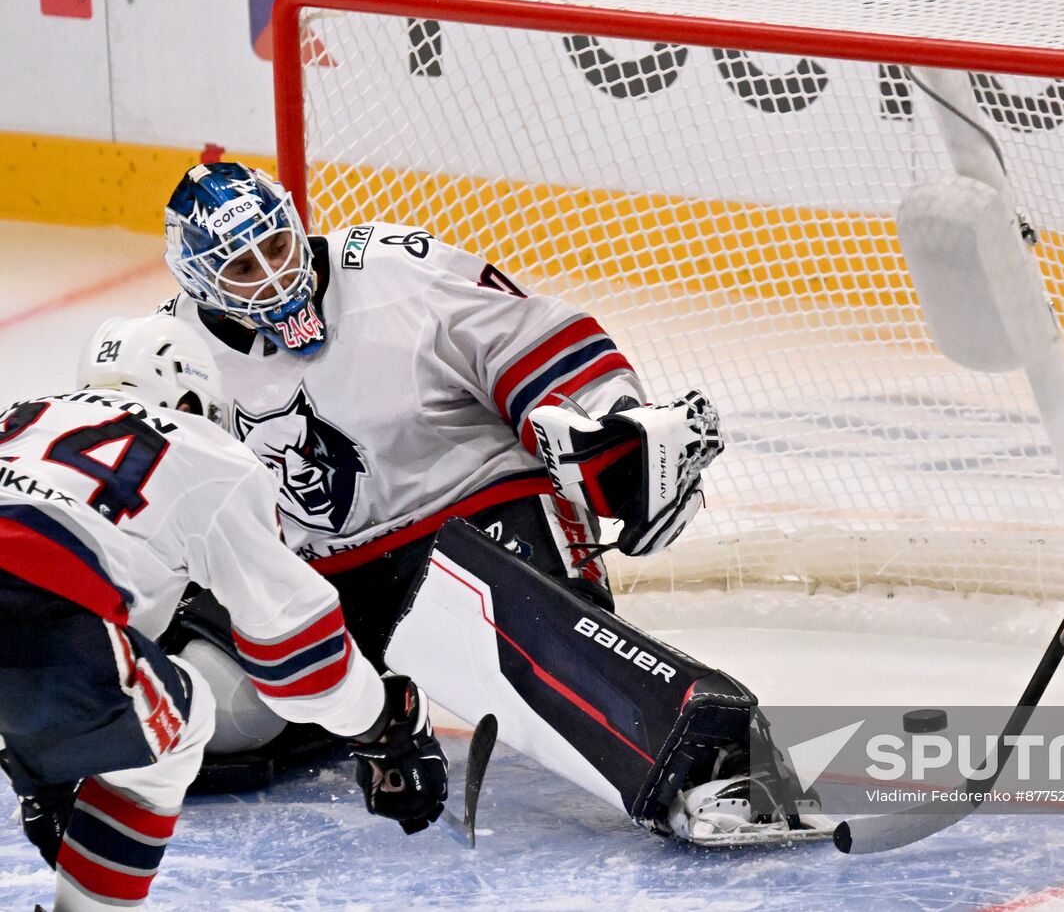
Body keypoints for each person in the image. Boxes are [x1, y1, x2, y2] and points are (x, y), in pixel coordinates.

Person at [157, 163, 826, 844]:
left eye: (276, 246)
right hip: (322, 575)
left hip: (480, 513)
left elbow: (534, 342)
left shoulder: (392, 270)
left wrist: (611, 428)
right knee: (209, 705)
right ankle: (367, 711)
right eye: (244, 266)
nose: (274, 276)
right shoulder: (169, 355)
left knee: (498, 626)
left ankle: (722, 756)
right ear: (199, 281)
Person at [0, 315, 447, 910]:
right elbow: (302, 666)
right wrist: (384, 722)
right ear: (188, 399)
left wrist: (42, 764)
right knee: (184, 721)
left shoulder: (22, 416)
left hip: (38, 619)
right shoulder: (204, 448)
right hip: (40, 609)